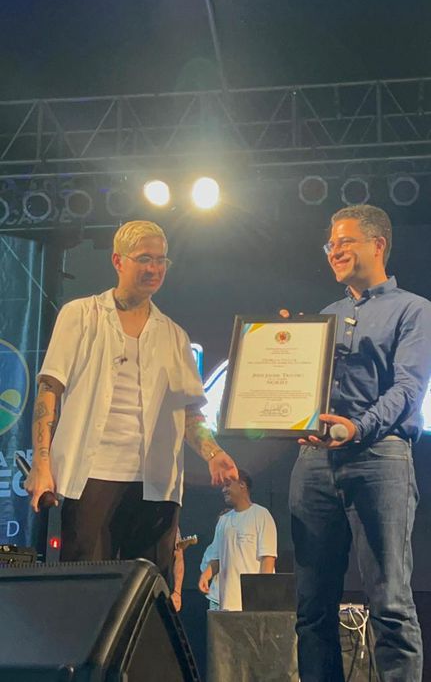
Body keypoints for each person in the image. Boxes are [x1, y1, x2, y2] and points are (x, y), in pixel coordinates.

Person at [24, 220, 238, 580]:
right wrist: (42, 463)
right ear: (118, 261)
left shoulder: (174, 335)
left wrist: (213, 453)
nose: (154, 269)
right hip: (92, 474)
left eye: (161, 260)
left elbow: (189, 411)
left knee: (148, 590)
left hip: (156, 481)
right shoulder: (80, 314)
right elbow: (50, 390)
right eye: (143, 259)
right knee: (87, 587)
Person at [288, 205, 431, 682]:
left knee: (390, 601)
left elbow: (408, 390)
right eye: (330, 245)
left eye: (345, 242)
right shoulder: (324, 317)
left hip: (380, 457)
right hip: (314, 462)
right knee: (311, 609)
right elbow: (304, 391)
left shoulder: (413, 310)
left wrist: (358, 426)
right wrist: (282, 345)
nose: (335, 252)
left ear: (378, 244)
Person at [198, 469, 277, 611]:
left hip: (253, 605)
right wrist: (206, 575)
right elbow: (216, 559)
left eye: (227, 485)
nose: (223, 490)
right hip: (226, 605)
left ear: (242, 484)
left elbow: (268, 559)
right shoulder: (223, 521)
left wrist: (261, 596)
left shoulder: (261, 514)